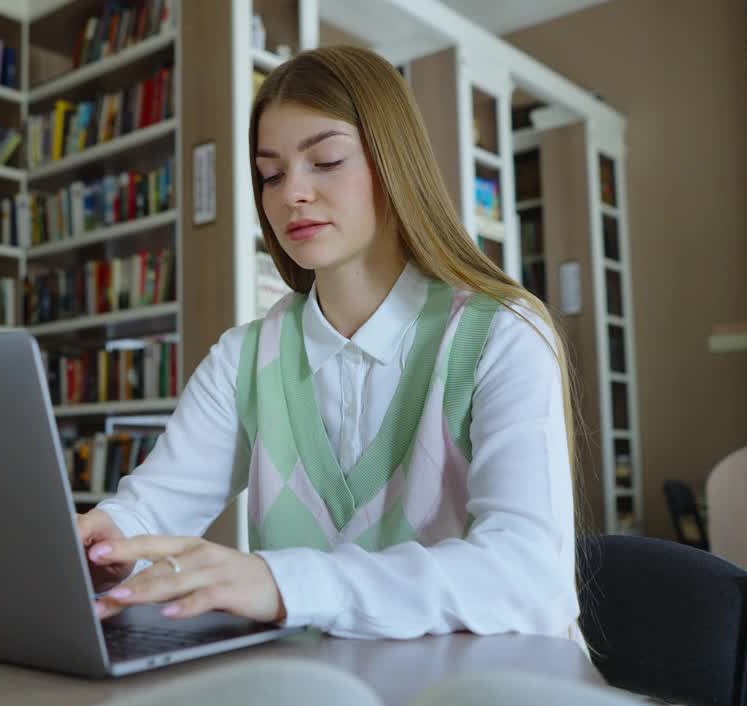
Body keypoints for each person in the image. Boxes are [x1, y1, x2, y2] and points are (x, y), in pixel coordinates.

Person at [77, 45, 582, 643]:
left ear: (394, 165)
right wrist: (105, 538)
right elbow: (152, 510)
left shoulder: (503, 331)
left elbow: (527, 575)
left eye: (326, 160)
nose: (292, 192)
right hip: (321, 696)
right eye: (271, 174)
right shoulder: (244, 357)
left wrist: (287, 583)